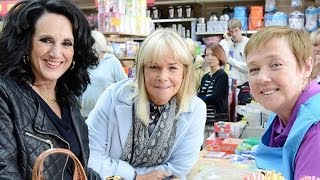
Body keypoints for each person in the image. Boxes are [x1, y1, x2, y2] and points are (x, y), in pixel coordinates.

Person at [86, 28, 207, 180]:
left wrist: (115, 169)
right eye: (153, 67)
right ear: (142, 70)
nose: (163, 77)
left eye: (172, 68)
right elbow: (90, 155)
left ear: (184, 72)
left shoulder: (196, 109)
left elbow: (179, 168)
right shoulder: (113, 97)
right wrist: (135, 177)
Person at [0, 0, 101, 179]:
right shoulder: (5, 95)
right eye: (46, 40)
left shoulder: (67, 97)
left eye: (67, 43)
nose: (56, 53)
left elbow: (77, 167)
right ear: (25, 44)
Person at [244, 26, 320, 179]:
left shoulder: (315, 128)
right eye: (254, 69)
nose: (262, 78)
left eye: (275, 65)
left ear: (306, 67)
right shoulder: (281, 110)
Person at [80, 30, 127, 118]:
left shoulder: (112, 62)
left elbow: (125, 87)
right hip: (84, 115)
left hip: (105, 116)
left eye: (103, 52)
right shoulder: (83, 62)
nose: (101, 55)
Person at [197, 44, 229, 143]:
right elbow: (201, 94)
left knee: (219, 147)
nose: (209, 58)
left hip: (219, 121)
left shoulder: (222, 76)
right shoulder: (205, 77)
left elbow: (215, 98)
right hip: (205, 120)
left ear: (219, 56)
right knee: (205, 147)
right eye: (207, 55)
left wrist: (197, 99)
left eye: (213, 55)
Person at [220, 18, 249, 88]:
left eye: (236, 31)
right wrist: (228, 42)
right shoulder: (224, 43)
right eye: (231, 31)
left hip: (243, 84)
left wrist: (230, 61)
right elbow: (222, 60)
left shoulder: (248, 43)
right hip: (227, 84)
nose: (234, 34)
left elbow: (248, 67)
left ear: (241, 29)